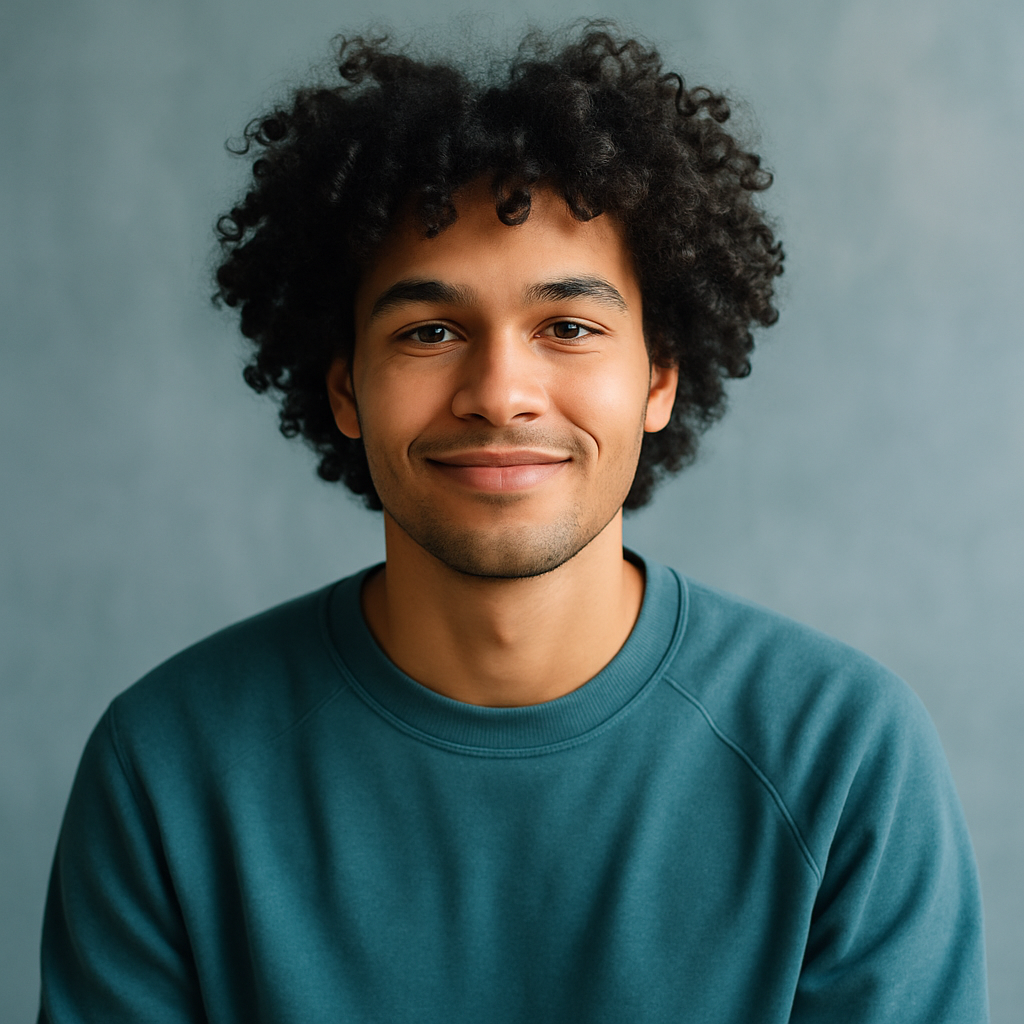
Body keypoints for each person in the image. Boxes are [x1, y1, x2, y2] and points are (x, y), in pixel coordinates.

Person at [38, 22, 988, 1024]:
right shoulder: (169, 765)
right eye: (430, 331)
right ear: (346, 389)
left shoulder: (839, 756)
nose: (499, 392)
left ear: (659, 377)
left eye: (568, 328)